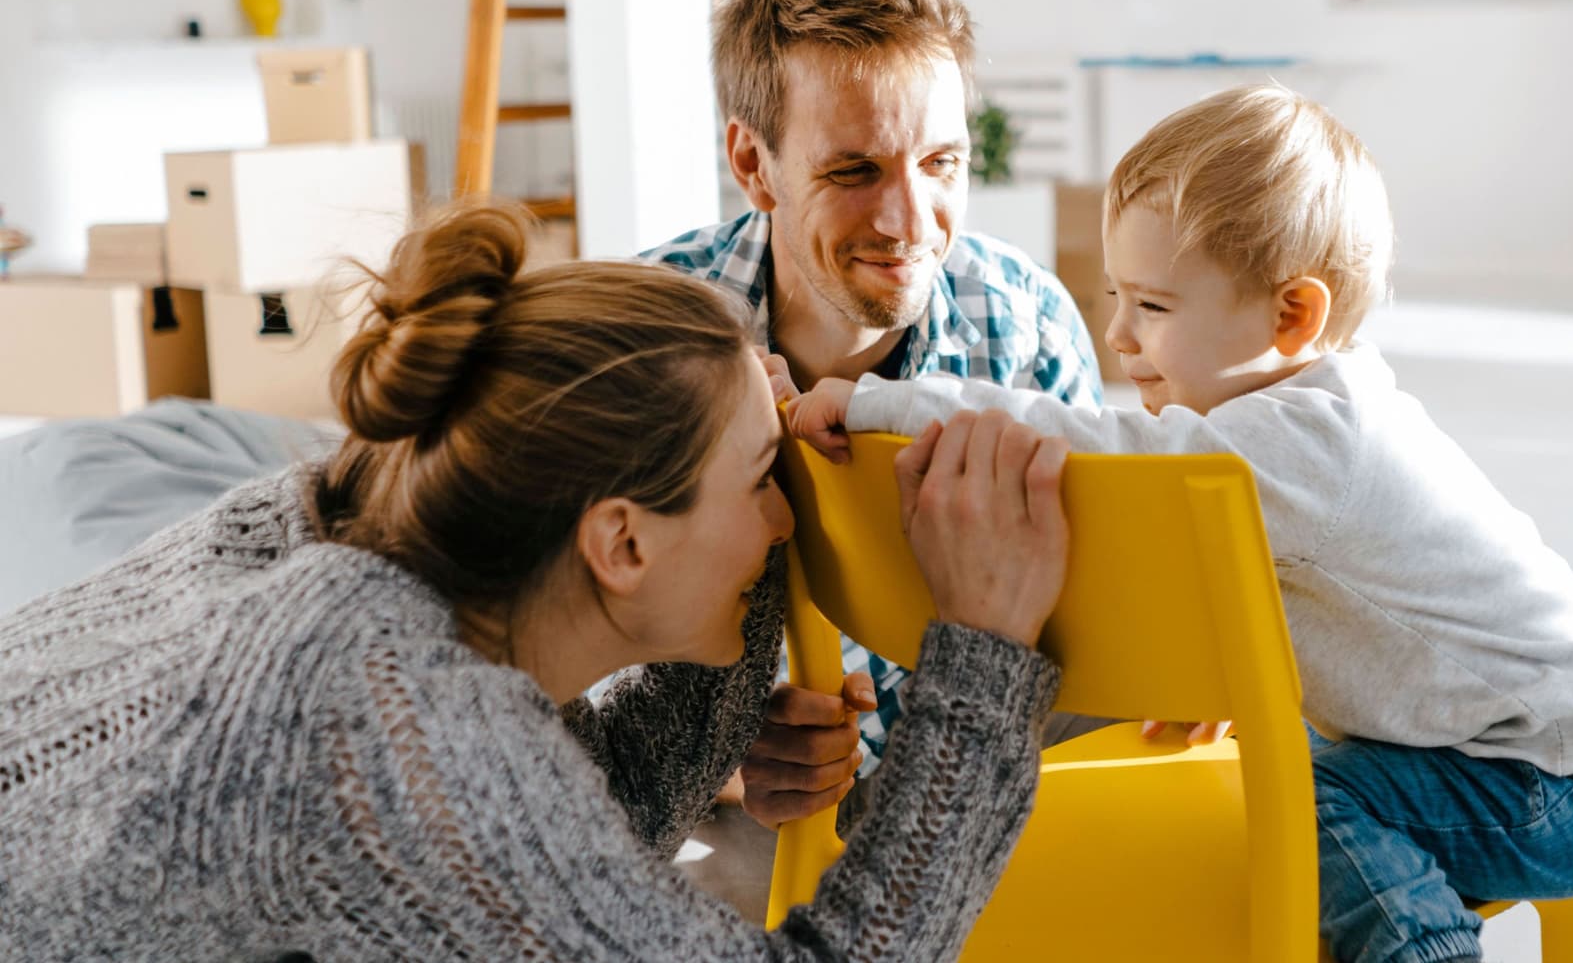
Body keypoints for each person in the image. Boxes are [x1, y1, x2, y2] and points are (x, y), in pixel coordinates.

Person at [0, 204, 1075, 961]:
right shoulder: (387, 722)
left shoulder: (362, 524)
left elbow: (595, 824)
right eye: (762, 483)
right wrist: (982, 655)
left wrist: (743, 444)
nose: (784, 518)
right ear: (620, 545)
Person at [787, 84, 1573, 963]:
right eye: (1117, 296)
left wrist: (883, 404)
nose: (1118, 336)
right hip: (1515, 744)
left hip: (1567, 782)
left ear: (1292, 317)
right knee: (1290, 768)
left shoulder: (1308, 443)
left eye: (1153, 307)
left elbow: (1094, 446)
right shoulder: (1280, 428)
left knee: (1312, 802)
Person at [642, 0, 1102, 822]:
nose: (910, 222)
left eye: (941, 164)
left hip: (980, 807)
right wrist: (716, 758)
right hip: (754, 831)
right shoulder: (647, 337)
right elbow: (555, 660)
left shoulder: (1030, 325)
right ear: (754, 165)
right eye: (855, 170)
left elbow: (1091, 625)